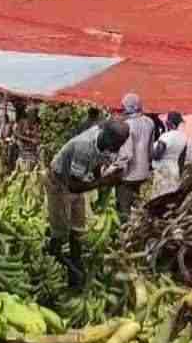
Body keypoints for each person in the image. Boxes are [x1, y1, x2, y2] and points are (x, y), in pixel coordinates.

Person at [46, 120, 130, 287]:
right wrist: (103, 181)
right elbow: (73, 186)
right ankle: (53, 257)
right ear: (106, 136)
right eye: (116, 144)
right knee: (61, 229)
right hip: (59, 182)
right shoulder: (84, 146)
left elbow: (97, 163)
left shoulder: (104, 142)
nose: (118, 149)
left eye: (121, 144)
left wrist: (101, 179)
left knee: (78, 227)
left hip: (78, 180)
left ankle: (76, 260)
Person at [113, 93, 155, 223]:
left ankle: (125, 237)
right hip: (144, 173)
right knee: (141, 208)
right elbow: (150, 150)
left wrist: (114, 170)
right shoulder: (149, 122)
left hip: (128, 176)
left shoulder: (127, 126)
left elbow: (127, 154)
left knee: (124, 211)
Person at [151, 112, 188, 198]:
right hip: (175, 170)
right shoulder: (183, 137)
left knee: (159, 197)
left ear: (168, 123)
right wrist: (180, 173)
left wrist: (149, 151)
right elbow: (181, 159)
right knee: (171, 197)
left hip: (163, 171)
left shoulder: (166, 137)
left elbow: (157, 155)